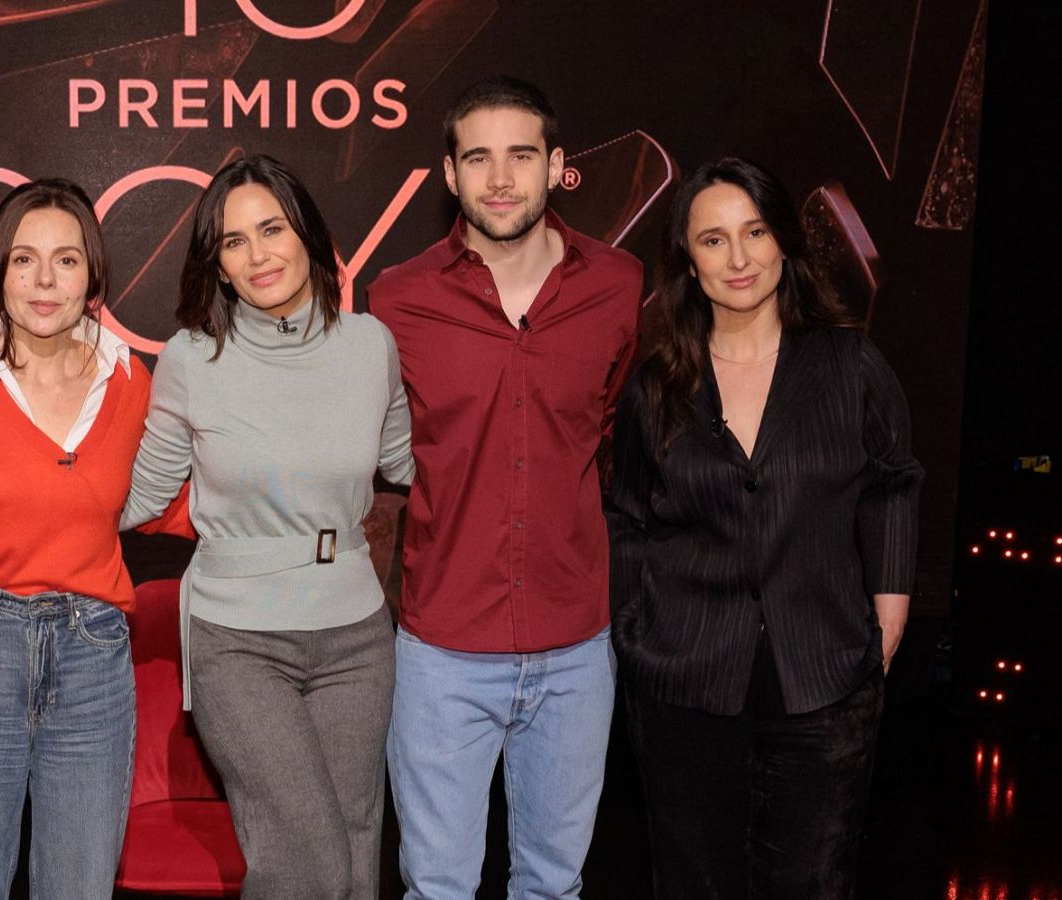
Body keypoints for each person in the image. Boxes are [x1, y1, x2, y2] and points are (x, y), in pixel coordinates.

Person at [606, 157, 922, 899]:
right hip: (684, 682)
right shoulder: (657, 387)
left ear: (784, 240)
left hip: (825, 679)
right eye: (713, 240)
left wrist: (891, 606)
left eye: (754, 232)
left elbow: (893, 481)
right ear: (687, 257)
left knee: (813, 883)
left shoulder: (849, 364)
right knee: (693, 884)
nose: (739, 258)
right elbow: (626, 516)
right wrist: (634, 631)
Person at [368, 76, 643, 899]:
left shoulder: (619, 286)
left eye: (520, 156)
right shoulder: (397, 299)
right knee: (438, 886)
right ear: (449, 175)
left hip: (575, 649)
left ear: (557, 167)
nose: (498, 178)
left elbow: (611, 431)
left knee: (553, 886)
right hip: (442, 650)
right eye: (477, 158)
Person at [119, 154, 414, 899]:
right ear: (216, 264)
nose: (258, 256)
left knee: (352, 857)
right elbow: (144, 492)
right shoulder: (192, 357)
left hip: (356, 635)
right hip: (236, 639)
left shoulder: (370, 345)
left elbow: (408, 465)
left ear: (308, 234)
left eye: (271, 229)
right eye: (232, 241)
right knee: (302, 860)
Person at [0, 178, 153, 900]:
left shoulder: (135, 385)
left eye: (67, 260)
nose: (45, 280)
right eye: (24, 259)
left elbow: (180, 503)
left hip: (94, 654)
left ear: (93, 274)